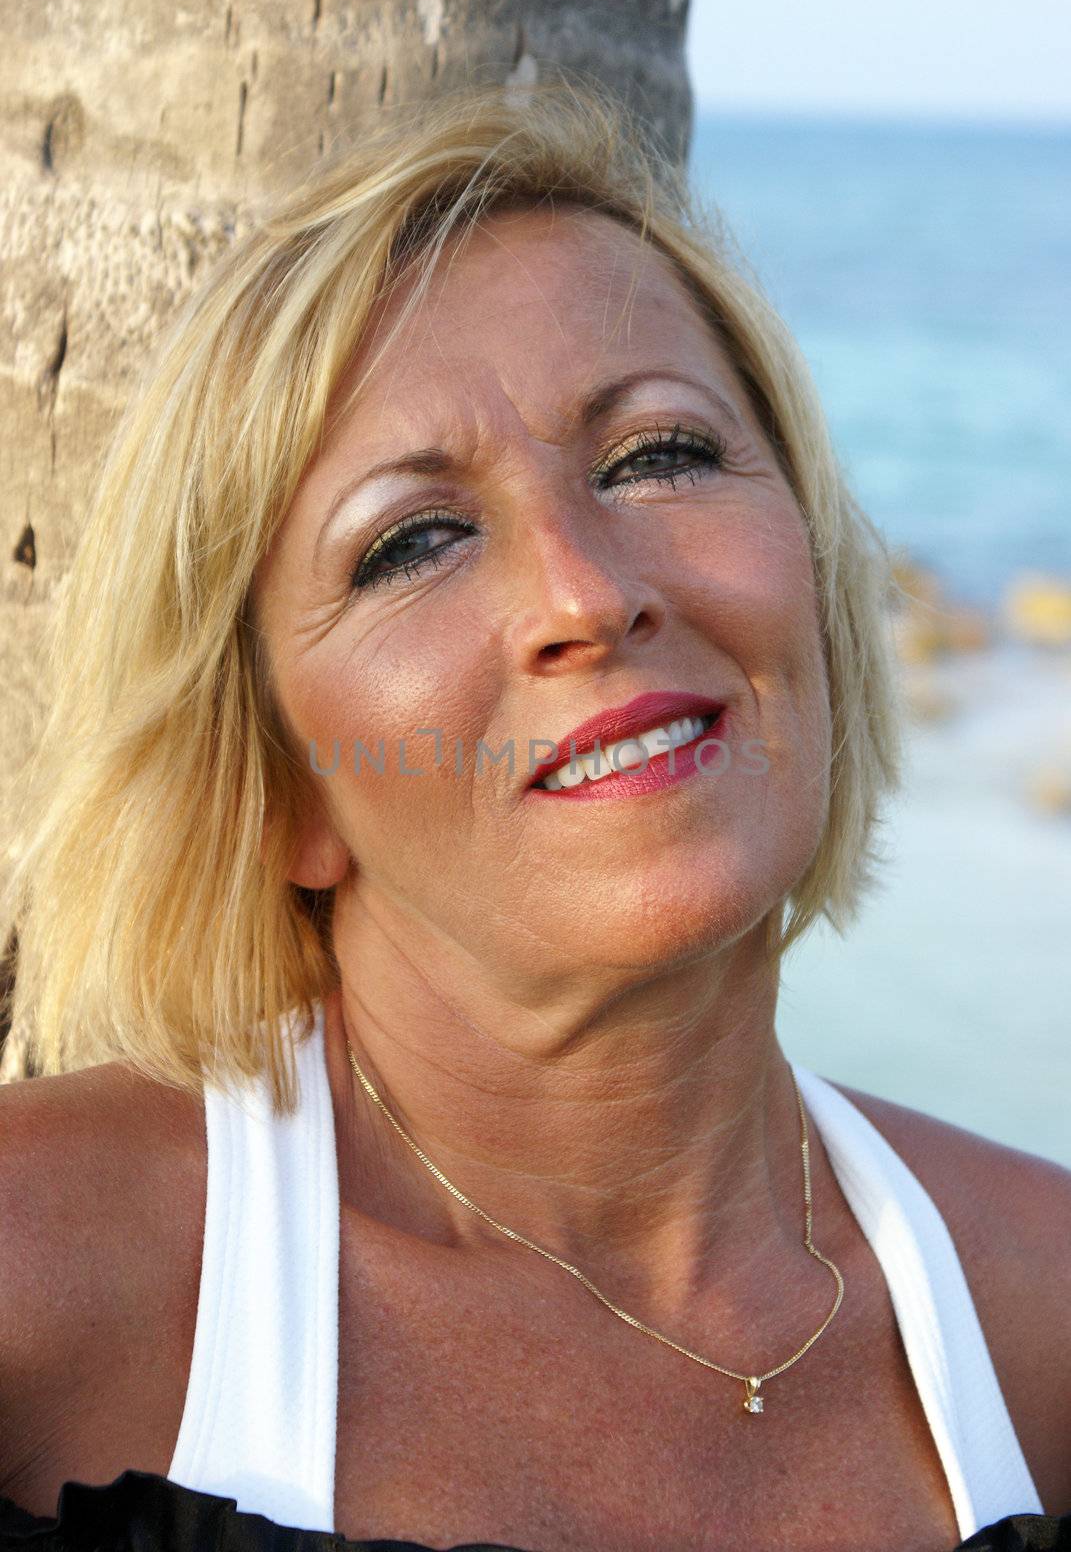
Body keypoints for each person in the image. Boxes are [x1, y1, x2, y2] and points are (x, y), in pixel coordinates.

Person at [0, 77, 1068, 1552]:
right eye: (414, 542)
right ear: (278, 793)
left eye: (659, 455)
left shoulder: (1048, 1323)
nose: (583, 591)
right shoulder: (42, 1289)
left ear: (812, 584)